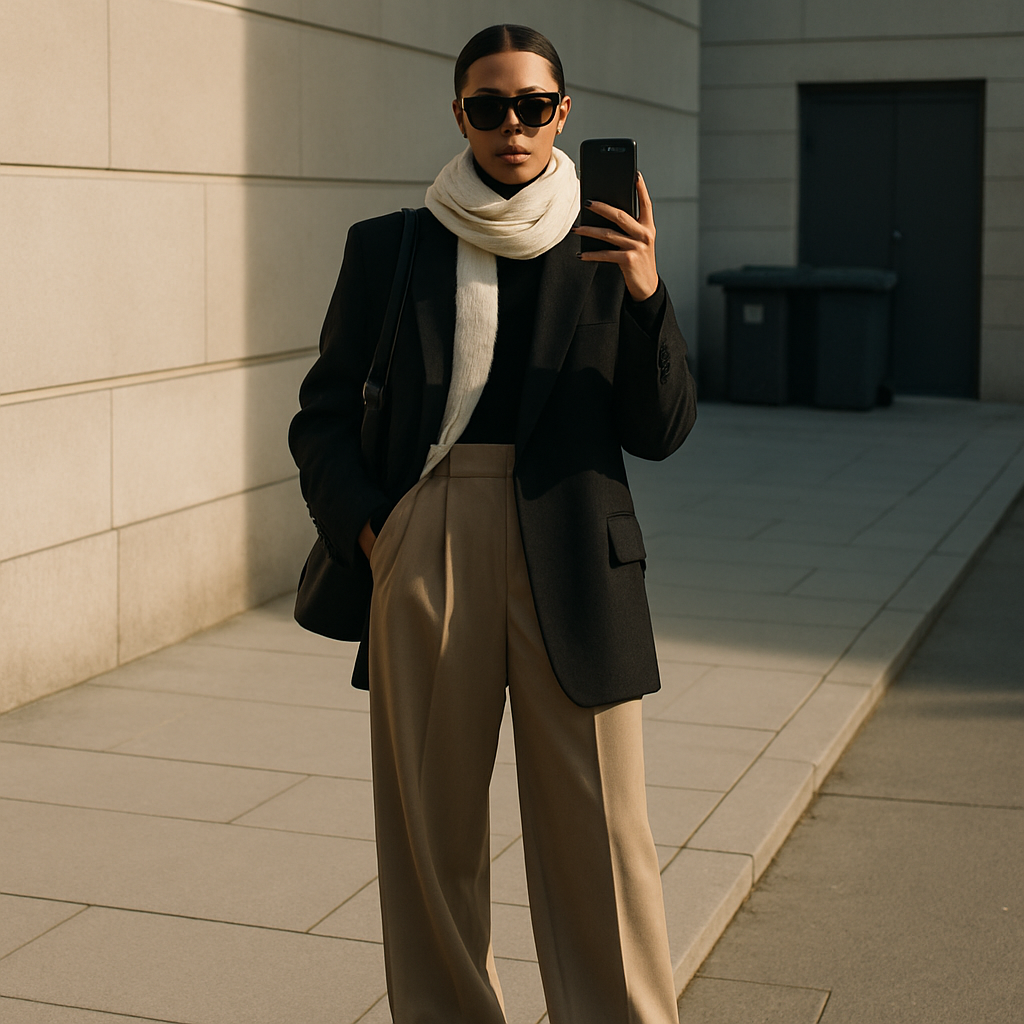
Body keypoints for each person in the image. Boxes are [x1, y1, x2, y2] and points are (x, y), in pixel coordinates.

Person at [289, 23, 697, 1024]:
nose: (510, 124)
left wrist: (645, 294)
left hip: (576, 549)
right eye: (487, 105)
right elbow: (323, 416)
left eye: (531, 105)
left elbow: (663, 428)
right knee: (431, 836)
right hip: (429, 545)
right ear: (458, 113)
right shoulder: (390, 247)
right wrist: (376, 538)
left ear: (564, 112)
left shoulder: (606, 244)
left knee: (604, 834)